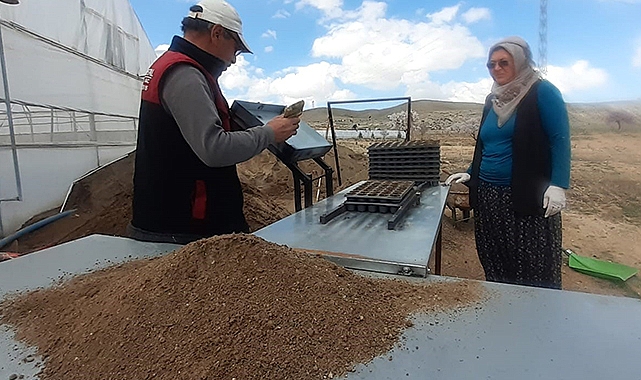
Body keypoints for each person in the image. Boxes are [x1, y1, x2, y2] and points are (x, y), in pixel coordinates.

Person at [128, 0, 300, 244]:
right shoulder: (185, 75)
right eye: (236, 49)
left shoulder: (182, 69)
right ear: (217, 33)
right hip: (181, 230)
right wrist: (269, 133)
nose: (234, 59)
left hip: (177, 223)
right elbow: (214, 148)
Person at [445, 36, 571, 289]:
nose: (497, 69)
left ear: (521, 62)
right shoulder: (492, 101)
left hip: (525, 194)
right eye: (491, 65)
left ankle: (536, 318)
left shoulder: (541, 92)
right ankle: (503, 312)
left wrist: (558, 184)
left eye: (504, 62)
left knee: (532, 265)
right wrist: (471, 173)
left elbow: (560, 138)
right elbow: (485, 143)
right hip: (489, 196)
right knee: (495, 258)